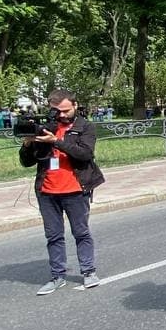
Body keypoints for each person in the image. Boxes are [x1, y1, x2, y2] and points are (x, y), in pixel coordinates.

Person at [19, 89, 106, 295]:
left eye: (66, 110)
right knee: (53, 235)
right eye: (57, 111)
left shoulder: (85, 127)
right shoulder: (47, 127)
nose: (62, 115)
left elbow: (84, 154)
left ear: (75, 105)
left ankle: (88, 271)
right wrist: (28, 144)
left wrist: (56, 142)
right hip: (47, 191)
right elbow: (26, 162)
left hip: (75, 189)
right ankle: (57, 276)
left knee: (81, 232)